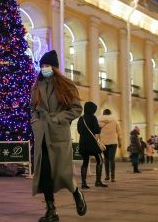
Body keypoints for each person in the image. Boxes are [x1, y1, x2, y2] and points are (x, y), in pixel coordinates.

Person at [30, 50, 86, 221]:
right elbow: (33, 109)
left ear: (54, 67)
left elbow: (76, 109)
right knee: (45, 174)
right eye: (42, 66)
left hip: (58, 135)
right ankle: (51, 210)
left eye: (47, 66)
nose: (44, 69)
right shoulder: (36, 86)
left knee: (63, 173)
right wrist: (36, 124)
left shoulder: (66, 85)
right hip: (42, 137)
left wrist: (58, 118)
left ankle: (77, 193)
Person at [77, 102, 108, 189]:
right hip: (92, 143)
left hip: (83, 143)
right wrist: (99, 128)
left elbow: (79, 131)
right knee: (100, 160)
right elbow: (97, 130)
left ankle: (83, 183)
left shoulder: (81, 118)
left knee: (85, 162)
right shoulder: (93, 117)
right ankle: (98, 181)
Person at [98, 108, 122, 182]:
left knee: (106, 159)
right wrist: (120, 141)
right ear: (110, 114)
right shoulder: (115, 121)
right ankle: (113, 177)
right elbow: (119, 132)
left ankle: (107, 176)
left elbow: (97, 132)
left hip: (103, 143)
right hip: (113, 142)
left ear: (103, 114)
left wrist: (97, 141)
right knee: (112, 159)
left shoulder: (100, 121)